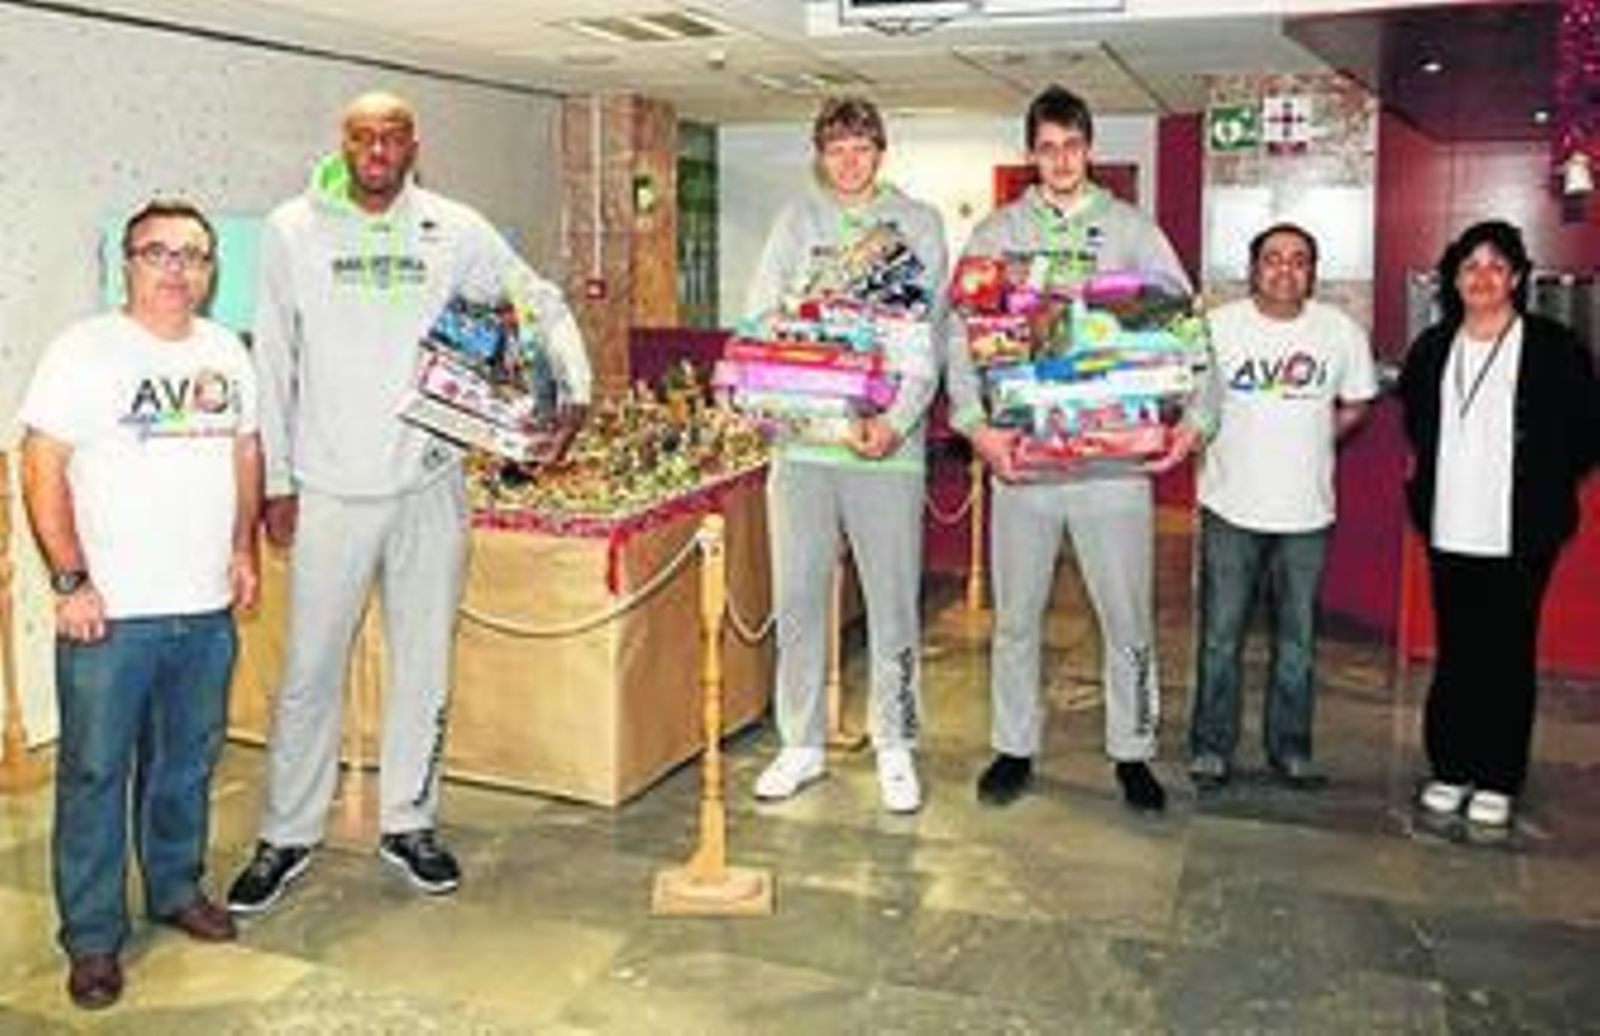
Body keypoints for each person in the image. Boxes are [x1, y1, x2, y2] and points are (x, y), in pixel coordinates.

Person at [227, 91, 592, 913]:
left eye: (392, 136)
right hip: (328, 490)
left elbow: (537, 299)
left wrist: (572, 389)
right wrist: (277, 484)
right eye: (363, 135)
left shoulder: (455, 228)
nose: (378, 149)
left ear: (413, 145)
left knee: (423, 667)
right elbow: (274, 359)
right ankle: (286, 834)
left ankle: (410, 824)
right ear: (344, 142)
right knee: (308, 674)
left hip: (430, 485)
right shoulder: (292, 229)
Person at [19, 199, 261, 1009]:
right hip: (111, 614)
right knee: (93, 773)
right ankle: (91, 939)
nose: (176, 269)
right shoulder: (83, 353)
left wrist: (241, 547)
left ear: (211, 270)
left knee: (186, 765)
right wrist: (68, 579)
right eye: (158, 253)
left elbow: (245, 449)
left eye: (193, 256)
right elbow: (41, 465)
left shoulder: (227, 351)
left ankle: (175, 886)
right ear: (128, 263)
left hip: (203, 607)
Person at [946, 84, 1212, 812]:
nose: (1060, 160)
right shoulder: (997, 235)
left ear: (1088, 149)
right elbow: (958, 337)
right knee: (1017, 618)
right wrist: (977, 426)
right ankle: (1013, 746)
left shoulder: (1133, 231)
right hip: (1022, 465)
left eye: (1072, 146)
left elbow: (1186, 328)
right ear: (1031, 154)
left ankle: (1134, 751)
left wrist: (1197, 420)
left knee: (1126, 618)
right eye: (1047, 147)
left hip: (1111, 468)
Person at [745, 97, 948, 813]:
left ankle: (896, 743)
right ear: (819, 156)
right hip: (804, 447)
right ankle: (799, 744)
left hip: (884, 451)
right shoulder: (795, 222)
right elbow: (761, 320)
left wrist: (895, 422)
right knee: (797, 598)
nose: (849, 162)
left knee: (892, 602)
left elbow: (927, 340)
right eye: (836, 150)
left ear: (881, 151)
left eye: (861, 148)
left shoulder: (916, 223)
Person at [1398, 220, 1599, 829]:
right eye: (1469, 267)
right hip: (1450, 522)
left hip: (1522, 529)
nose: (1482, 278)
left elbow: (1588, 432)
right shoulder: (1433, 347)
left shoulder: (1553, 346)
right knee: (1457, 652)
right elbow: (1417, 424)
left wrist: (1546, 482)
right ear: (1453, 279)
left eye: (1495, 266)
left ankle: (1498, 775)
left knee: (1507, 653)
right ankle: (1451, 766)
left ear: (1516, 277)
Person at [1187, 223, 1377, 790]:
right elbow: (1187, 399)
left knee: (1296, 643)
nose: (1285, 270)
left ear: (1312, 272)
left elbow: (1357, 403)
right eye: (1273, 259)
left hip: (1306, 514)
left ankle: (1290, 749)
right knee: (1221, 638)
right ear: (1253, 268)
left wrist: (1313, 440)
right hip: (1230, 507)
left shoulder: (1338, 331)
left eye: (1299, 260)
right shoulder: (1216, 328)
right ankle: (1210, 747)